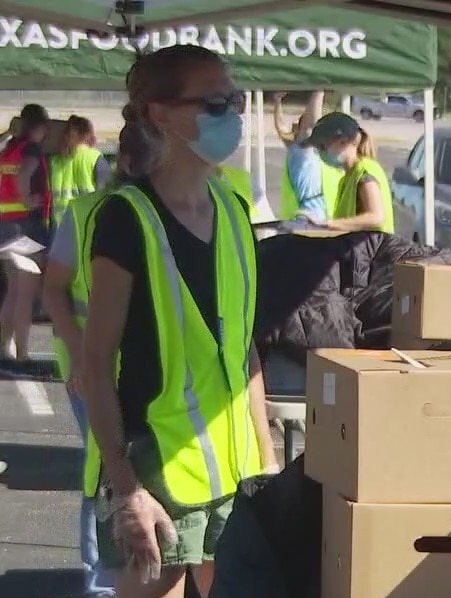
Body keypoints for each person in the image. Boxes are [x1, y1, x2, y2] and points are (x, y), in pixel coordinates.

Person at [81, 44, 278, 598]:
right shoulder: (127, 218)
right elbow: (95, 366)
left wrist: (266, 461)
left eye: (234, 100)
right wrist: (126, 489)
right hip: (158, 474)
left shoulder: (235, 210)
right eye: (214, 103)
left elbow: (244, 351)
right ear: (159, 115)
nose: (232, 114)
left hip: (236, 474)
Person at [42, 122, 153, 598]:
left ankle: (139, 569)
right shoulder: (86, 213)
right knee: (102, 467)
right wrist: (83, 360)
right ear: (126, 163)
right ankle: (99, 580)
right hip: (95, 368)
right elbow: (54, 288)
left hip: (147, 369)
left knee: (141, 469)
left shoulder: (175, 212)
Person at [0, 103, 52, 361]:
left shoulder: (9, 148)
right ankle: (22, 351)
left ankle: (3, 347)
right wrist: (27, 197)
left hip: (6, 226)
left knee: (12, 290)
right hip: (27, 228)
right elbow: (25, 174)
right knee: (26, 293)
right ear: (40, 127)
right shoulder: (30, 149)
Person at [299, 112, 395, 233]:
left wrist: (329, 224)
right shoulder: (348, 177)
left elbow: (376, 217)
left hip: (372, 249)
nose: (320, 153)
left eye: (322, 147)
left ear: (344, 142)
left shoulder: (365, 172)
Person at [274, 91, 343, 222]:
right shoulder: (302, 149)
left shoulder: (303, 152)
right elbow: (310, 125)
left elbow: (281, 128)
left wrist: (277, 102)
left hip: (318, 217)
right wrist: (319, 91)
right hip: (310, 218)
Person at [49, 115, 110, 227]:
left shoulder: (55, 162)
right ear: (88, 135)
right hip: (86, 224)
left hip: (60, 226)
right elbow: (106, 198)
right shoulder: (95, 158)